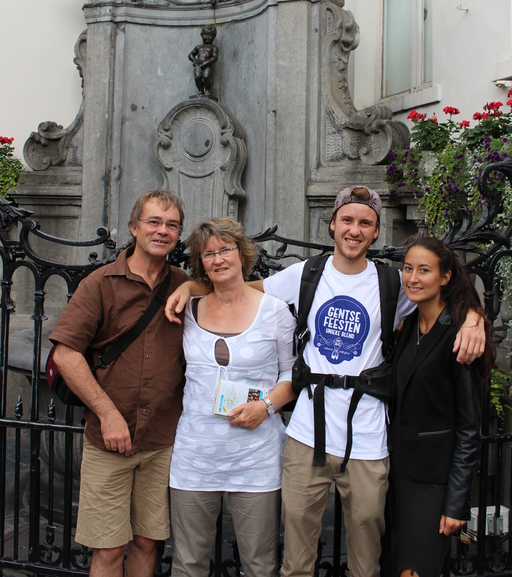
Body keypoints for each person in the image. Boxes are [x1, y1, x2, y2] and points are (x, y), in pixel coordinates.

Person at [166, 185, 487, 577]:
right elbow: (238, 288)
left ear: (375, 232)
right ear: (332, 224)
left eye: (365, 223)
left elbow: (445, 290)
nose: (355, 229)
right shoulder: (307, 274)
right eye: (347, 220)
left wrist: (474, 316)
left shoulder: (393, 284)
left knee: (366, 558)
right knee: (296, 559)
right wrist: (189, 285)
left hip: (368, 436)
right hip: (306, 434)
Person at [50, 189, 189, 577]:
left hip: (163, 439)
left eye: (171, 225)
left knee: (147, 542)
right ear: (134, 227)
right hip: (109, 439)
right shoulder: (101, 283)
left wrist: (194, 287)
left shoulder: (184, 285)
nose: (162, 231)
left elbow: (234, 294)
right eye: (154, 222)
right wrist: (108, 415)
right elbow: (66, 353)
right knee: (109, 550)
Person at [168, 217, 296, 577]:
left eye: (225, 249)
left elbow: (291, 374)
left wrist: (267, 405)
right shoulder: (188, 311)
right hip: (196, 457)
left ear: (242, 254)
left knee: (259, 564)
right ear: (200, 264)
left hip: (256, 459)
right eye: (208, 254)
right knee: (188, 563)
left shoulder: (274, 312)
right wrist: (188, 288)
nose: (218, 259)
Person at [384, 237, 493, 577]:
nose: (413, 278)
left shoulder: (462, 335)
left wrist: (457, 502)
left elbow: (468, 427)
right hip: (393, 476)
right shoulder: (406, 326)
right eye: (407, 269)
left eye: (424, 270)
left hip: (432, 484)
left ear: (446, 277)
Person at [188, 25, 218, 96]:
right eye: (206, 34)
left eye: (210, 35)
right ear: (202, 35)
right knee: (197, 77)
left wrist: (205, 63)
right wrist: (194, 60)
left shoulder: (213, 48)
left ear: (214, 37)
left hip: (207, 65)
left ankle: (207, 91)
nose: (207, 37)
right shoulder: (198, 47)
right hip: (198, 65)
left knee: (206, 76)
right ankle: (200, 90)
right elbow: (190, 55)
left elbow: (215, 57)